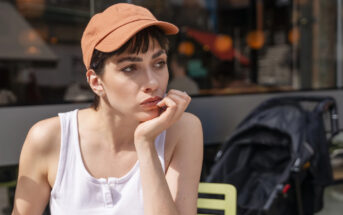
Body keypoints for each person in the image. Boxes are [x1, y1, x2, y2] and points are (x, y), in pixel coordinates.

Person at [12, 3, 203, 215]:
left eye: (159, 63)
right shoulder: (49, 138)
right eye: (130, 67)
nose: (153, 82)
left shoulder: (182, 129)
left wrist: (145, 144)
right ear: (96, 82)